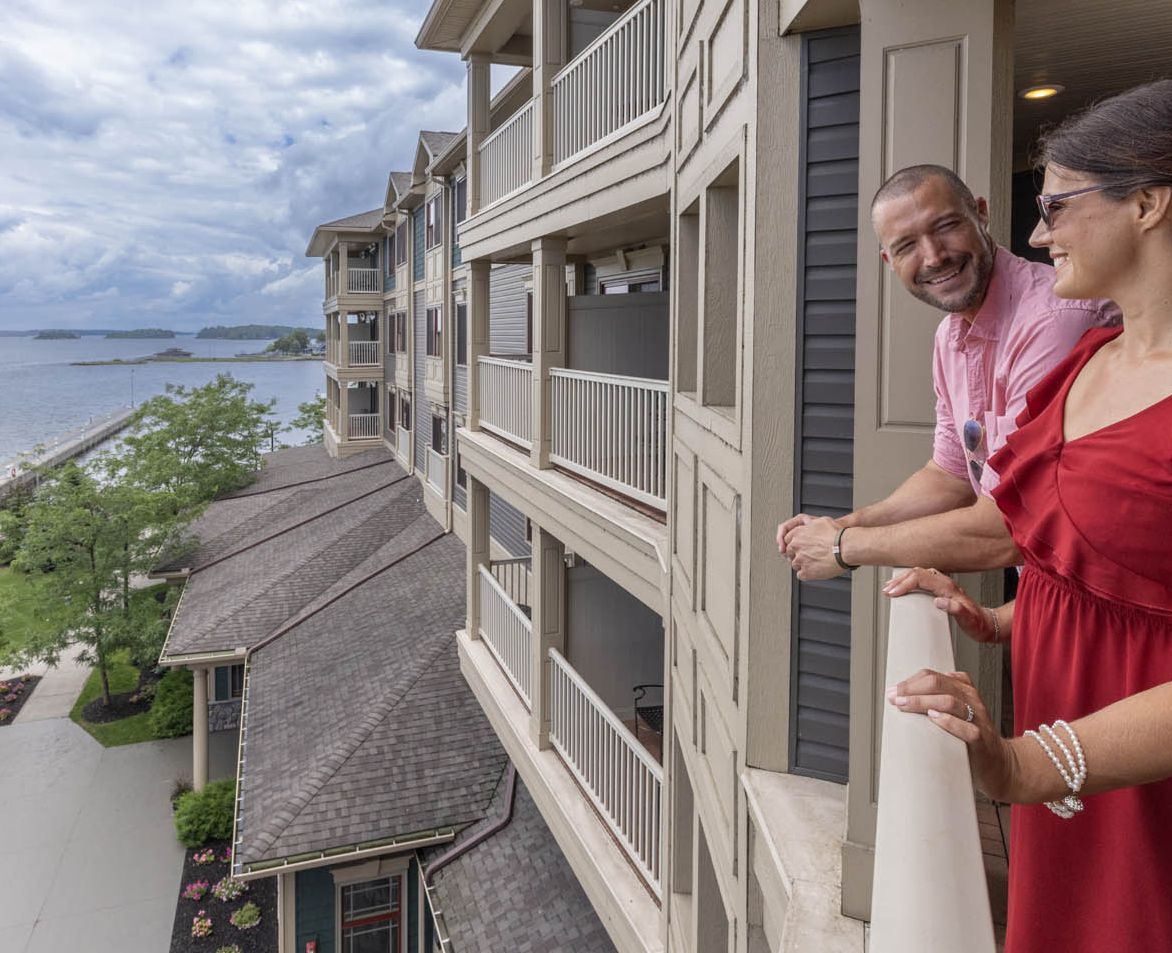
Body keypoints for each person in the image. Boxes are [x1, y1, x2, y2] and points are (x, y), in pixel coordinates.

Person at [887, 80, 1172, 953]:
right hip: (1062, 735)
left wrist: (1021, 765)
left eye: (1055, 204)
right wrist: (1007, 618)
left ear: (1150, 202)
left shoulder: (1057, 328)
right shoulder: (1094, 353)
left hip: (1126, 758)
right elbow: (1110, 558)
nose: (1039, 230)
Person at [778, 165, 1117, 580]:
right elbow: (952, 473)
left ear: (980, 213)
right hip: (1052, 592)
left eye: (946, 226)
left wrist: (843, 547)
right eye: (906, 246)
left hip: (1113, 602)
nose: (934, 256)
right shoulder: (950, 335)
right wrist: (843, 525)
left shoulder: (1054, 320)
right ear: (889, 260)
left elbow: (1016, 524)